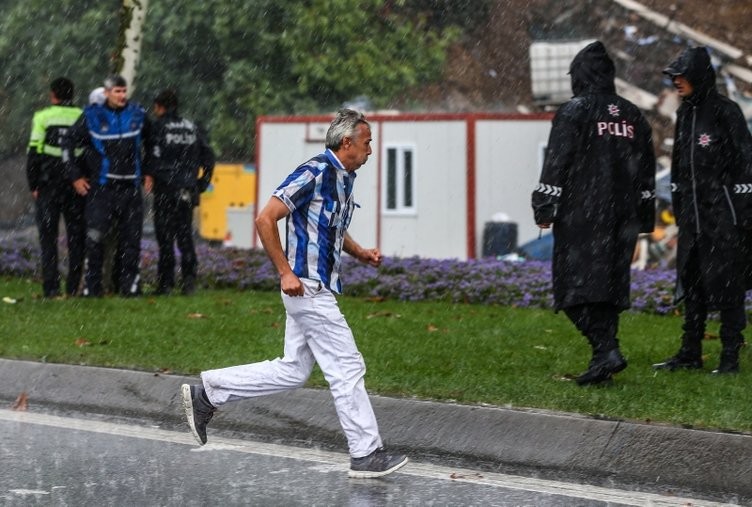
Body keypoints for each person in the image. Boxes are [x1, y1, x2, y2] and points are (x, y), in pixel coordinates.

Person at [181, 109, 408, 478]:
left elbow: (331, 228)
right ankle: (366, 454)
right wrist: (285, 272)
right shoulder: (315, 171)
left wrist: (361, 251)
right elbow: (265, 218)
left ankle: (208, 394)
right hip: (307, 287)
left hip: (311, 287)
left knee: (294, 370)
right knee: (347, 367)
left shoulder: (344, 178)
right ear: (346, 142)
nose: (370, 150)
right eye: (367, 143)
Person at [531, 41, 656, 386]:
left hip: (583, 215)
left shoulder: (575, 111)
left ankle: (606, 350)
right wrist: (645, 215)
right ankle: (604, 361)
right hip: (624, 218)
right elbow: (647, 171)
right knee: (611, 289)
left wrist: (544, 205)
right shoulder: (633, 115)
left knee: (572, 287)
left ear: (580, 76)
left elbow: (556, 163)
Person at [653, 47, 752, 374]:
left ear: (697, 75)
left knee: (728, 287)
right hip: (693, 222)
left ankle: (729, 358)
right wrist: (682, 210)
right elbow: (681, 168)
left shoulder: (726, 111)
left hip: (724, 220)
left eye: (681, 76)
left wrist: (739, 213)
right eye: (672, 77)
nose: (676, 82)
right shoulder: (684, 115)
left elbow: (745, 164)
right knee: (692, 284)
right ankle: (690, 352)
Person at [62, 75, 151, 297]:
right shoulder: (92, 116)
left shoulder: (138, 114)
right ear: (107, 93)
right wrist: (75, 176)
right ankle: (92, 288)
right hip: (103, 189)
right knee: (95, 239)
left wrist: (150, 172)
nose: (122, 96)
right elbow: (67, 143)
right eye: (117, 92)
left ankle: (130, 288)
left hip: (131, 189)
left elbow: (153, 142)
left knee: (131, 241)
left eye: (124, 91)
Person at [144, 89, 215, 295]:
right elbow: (208, 157)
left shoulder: (158, 127)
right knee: (185, 236)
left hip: (166, 190)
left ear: (159, 107)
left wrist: (149, 176)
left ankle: (165, 284)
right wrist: (201, 183)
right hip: (187, 190)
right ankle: (189, 282)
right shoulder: (191, 127)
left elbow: (152, 157)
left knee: (165, 238)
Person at [25, 77, 86, 298]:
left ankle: (51, 288)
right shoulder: (82, 116)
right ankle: (73, 287)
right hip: (75, 185)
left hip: (48, 185)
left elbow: (34, 152)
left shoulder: (43, 117)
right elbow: (87, 152)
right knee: (76, 237)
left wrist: (33, 183)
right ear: (72, 95)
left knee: (48, 238)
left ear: (53, 95)